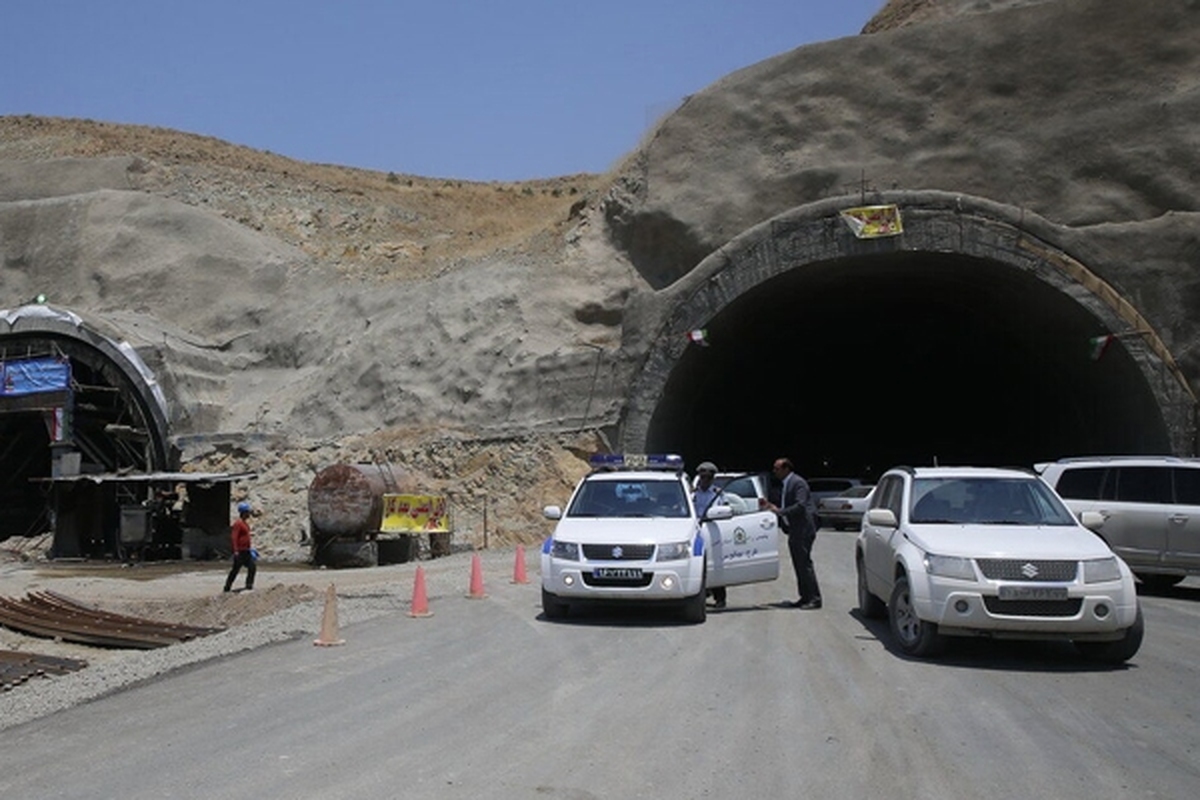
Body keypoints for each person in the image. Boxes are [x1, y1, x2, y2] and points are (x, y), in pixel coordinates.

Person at [759, 457, 822, 609]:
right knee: (798, 564)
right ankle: (805, 597)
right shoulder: (786, 484)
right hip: (795, 529)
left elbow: (800, 506)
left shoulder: (797, 483)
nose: (774, 471)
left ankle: (814, 598)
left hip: (803, 528)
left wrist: (780, 512)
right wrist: (772, 507)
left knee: (804, 563)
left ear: (786, 469)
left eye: (777, 468)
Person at [693, 461, 727, 610]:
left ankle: (720, 599)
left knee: (716, 565)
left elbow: (725, 512)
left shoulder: (719, 494)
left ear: (713, 478)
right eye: (702, 477)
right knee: (698, 566)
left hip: (713, 532)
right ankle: (701, 594)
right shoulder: (692, 494)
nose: (705, 480)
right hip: (696, 533)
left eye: (708, 477)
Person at [224, 501, 257, 593]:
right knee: (235, 570)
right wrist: (236, 551)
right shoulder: (238, 524)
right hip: (240, 551)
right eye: (247, 512)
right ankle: (227, 587)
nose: (249, 514)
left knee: (252, 567)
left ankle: (249, 585)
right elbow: (234, 537)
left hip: (246, 551)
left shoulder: (245, 524)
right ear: (243, 513)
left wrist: (251, 549)